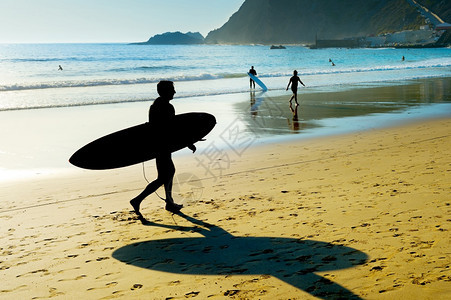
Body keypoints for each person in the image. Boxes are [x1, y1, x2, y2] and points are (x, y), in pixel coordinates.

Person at [130, 81, 195, 216]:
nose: (174, 92)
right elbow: (171, 129)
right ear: (165, 91)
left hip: (158, 145)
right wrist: (188, 141)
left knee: (168, 173)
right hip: (163, 146)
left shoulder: (155, 105)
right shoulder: (167, 107)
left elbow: (158, 128)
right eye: (172, 89)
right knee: (163, 177)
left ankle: (169, 202)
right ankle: (137, 200)